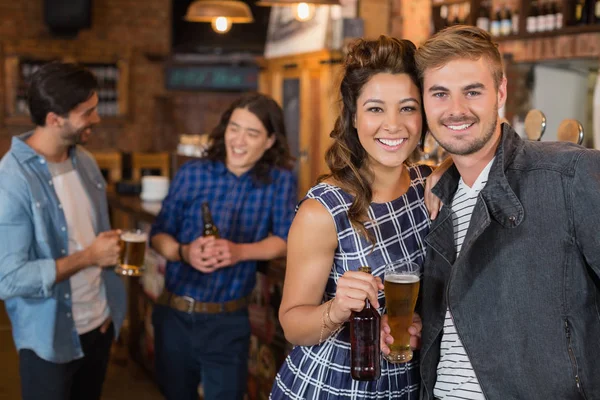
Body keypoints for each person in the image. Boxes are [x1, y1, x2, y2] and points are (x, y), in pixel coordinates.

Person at [412, 25, 600, 399]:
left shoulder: (568, 174)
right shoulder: (435, 195)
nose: (456, 110)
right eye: (440, 94)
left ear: (500, 92)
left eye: (473, 91)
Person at [270, 36, 429, 399]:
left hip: (407, 385)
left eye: (407, 108)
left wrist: (416, 323)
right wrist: (338, 308)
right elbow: (293, 325)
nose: (393, 125)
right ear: (354, 116)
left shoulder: (429, 186)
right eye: (375, 109)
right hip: (334, 386)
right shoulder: (323, 210)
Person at [149, 92, 297, 400]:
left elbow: (284, 241)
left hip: (228, 321)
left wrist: (238, 251)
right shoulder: (193, 173)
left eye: (252, 133)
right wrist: (184, 252)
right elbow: (159, 234)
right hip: (174, 314)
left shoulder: (279, 180)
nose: (239, 140)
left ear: (270, 141)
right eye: (234, 128)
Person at [0, 62, 127, 400]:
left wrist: (108, 311)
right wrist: (89, 256)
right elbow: (7, 278)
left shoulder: (84, 160)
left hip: (98, 324)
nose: (97, 119)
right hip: (50, 339)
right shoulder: (12, 179)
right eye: (88, 113)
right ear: (55, 119)